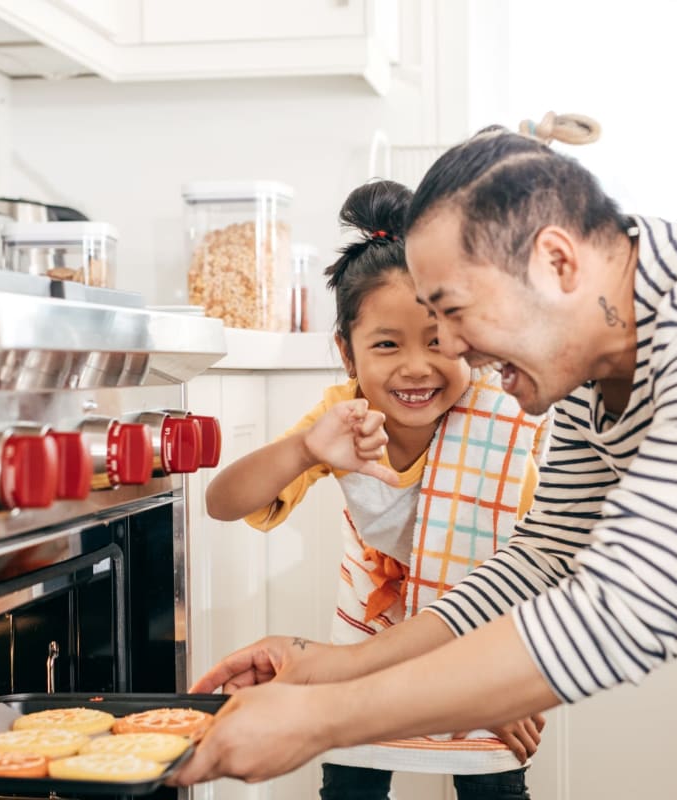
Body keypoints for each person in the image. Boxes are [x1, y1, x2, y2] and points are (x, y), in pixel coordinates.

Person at [171, 126, 677, 800]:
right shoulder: (593, 358)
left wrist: (323, 720)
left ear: (555, 263)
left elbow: (624, 617)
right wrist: (335, 665)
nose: (452, 348)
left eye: (454, 313)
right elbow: (542, 556)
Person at [204, 179, 551, 799]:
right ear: (347, 353)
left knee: (492, 784)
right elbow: (222, 503)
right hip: (366, 641)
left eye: (439, 342)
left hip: (484, 641)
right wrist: (305, 449)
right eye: (386, 344)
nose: (415, 367)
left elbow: (529, 564)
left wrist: (494, 682)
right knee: (350, 785)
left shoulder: (503, 416)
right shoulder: (344, 418)